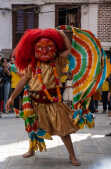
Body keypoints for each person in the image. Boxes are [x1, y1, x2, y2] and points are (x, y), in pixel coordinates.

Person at [6, 28, 80, 166]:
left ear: (55, 49)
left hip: (53, 102)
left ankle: (72, 155)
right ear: (34, 49)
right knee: (32, 128)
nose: (44, 51)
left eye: (48, 47)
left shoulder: (58, 61)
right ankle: (31, 149)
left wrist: (63, 35)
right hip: (34, 103)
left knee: (63, 130)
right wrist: (12, 97)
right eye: (40, 48)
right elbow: (23, 81)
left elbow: (69, 49)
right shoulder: (32, 65)